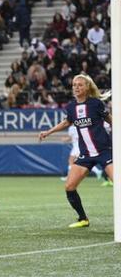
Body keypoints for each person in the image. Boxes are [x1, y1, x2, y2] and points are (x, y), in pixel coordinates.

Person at [39, 74, 112, 228]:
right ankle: (83, 219)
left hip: (104, 151)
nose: (76, 87)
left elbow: (110, 120)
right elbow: (66, 122)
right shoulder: (71, 107)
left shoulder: (95, 104)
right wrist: (48, 132)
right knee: (69, 186)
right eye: (74, 85)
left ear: (87, 87)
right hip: (85, 154)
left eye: (80, 85)